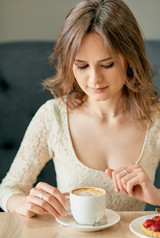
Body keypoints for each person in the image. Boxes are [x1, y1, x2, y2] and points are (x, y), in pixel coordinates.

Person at [0, 0, 160, 219]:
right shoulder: (53, 116)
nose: (94, 79)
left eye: (107, 64)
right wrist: (23, 203)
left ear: (130, 60)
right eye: (82, 66)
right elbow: (8, 188)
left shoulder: (156, 118)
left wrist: (155, 196)